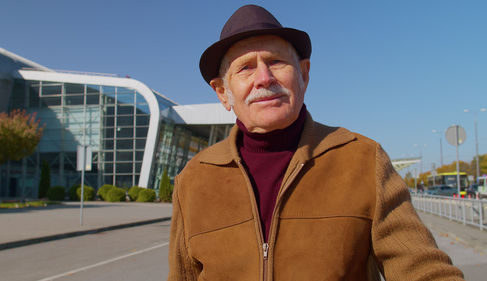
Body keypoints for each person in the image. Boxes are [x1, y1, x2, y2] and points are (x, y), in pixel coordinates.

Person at [168, 5, 464, 281]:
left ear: (304, 74)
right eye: (246, 68)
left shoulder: (362, 159)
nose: (263, 78)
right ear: (222, 92)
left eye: (276, 61)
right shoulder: (193, 180)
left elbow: (422, 267)